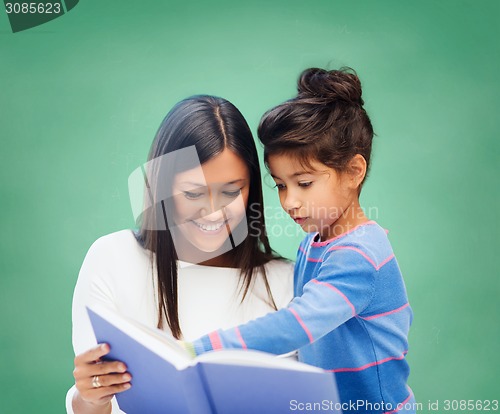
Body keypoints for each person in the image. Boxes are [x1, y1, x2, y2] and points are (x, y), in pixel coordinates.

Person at [187, 68, 415, 413]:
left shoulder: (359, 254)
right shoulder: (316, 241)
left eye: (304, 183)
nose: (289, 201)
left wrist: (199, 350)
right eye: (280, 185)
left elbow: (298, 324)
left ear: (354, 171)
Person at [66, 95, 294, 414]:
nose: (214, 214)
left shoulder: (287, 283)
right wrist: (88, 398)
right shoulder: (112, 259)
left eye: (231, 192)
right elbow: (99, 402)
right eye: (193, 193)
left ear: (252, 188)